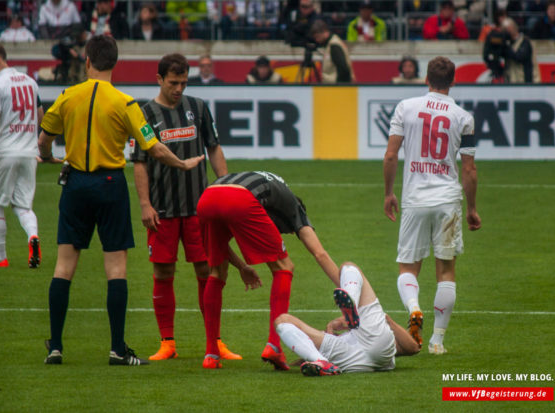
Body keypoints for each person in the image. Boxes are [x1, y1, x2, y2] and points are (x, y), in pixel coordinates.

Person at [38, 35, 205, 366]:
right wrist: (182, 163)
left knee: (63, 266)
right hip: (110, 183)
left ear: (87, 61)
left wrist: (49, 157)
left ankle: (55, 346)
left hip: (75, 183)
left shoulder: (67, 97)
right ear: (115, 64)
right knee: (115, 268)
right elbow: (153, 146)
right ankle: (117, 349)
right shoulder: (125, 103)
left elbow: (44, 140)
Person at [130, 53, 238, 362]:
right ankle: (167, 342)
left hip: (199, 208)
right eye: (173, 83)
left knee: (207, 269)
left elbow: (213, 148)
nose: (179, 89)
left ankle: (214, 341)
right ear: (159, 79)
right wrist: (145, 204)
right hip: (162, 209)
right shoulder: (146, 113)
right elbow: (139, 163)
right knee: (163, 271)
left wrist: (225, 186)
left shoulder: (199, 108)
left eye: (184, 83)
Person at [383, 56, 481, 355]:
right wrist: (472, 209)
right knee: (446, 272)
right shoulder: (463, 117)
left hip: (414, 198)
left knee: (407, 267)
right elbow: (469, 169)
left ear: (426, 79)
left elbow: (390, 155)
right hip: (447, 199)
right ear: (452, 81)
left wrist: (389, 193)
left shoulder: (406, 107)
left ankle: (414, 308)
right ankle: (437, 341)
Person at [197, 171, 340, 370]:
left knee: (216, 272)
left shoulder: (271, 195)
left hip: (207, 198)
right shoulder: (295, 209)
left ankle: (211, 354)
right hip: (239, 198)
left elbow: (220, 248)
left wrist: (242, 266)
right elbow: (320, 254)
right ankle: (274, 346)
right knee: (284, 267)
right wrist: (346, 289)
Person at [275, 262, 420, 376]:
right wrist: (386, 320)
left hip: (348, 360)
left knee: (281, 320)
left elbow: (412, 348)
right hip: (373, 351)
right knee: (348, 266)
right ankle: (352, 303)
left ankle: (320, 361)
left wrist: (383, 320)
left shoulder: (343, 336)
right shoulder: (379, 339)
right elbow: (413, 348)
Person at [0, 41, 43, 269]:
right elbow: (40, 113)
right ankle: (32, 236)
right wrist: (36, 144)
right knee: (23, 206)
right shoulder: (31, 82)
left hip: (4, 152)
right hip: (28, 153)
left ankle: (0, 256)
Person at [310, 19, 354, 84]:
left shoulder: (334, 46)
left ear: (324, 32)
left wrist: (340, 87)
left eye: (317, 37)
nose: (317, 40)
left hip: (336, 88)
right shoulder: (332, 43)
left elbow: (343, 69)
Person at [502, 17, 540, 83]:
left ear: (514, 28)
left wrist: (506, 46)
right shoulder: (508, 43)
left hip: (524, 81)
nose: (506, 32)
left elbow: (519, 57)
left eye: (507, 29)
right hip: (510, 81)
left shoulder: (525, 42)